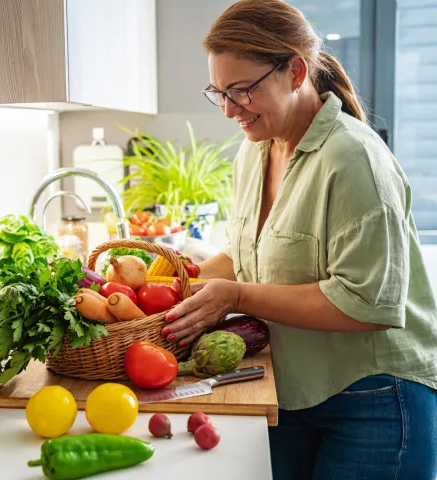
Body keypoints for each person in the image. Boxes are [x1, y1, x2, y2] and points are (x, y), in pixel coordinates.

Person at [161, 1, 437, 479]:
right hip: (291, 388)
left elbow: (366, 305)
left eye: (243, 90)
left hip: (374, 398)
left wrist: (239, 296)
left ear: (295, 72)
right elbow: (250, 257)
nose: (229, 110)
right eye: (219, 92)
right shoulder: (255, 152)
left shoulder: (353, 159)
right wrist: (165, 291)